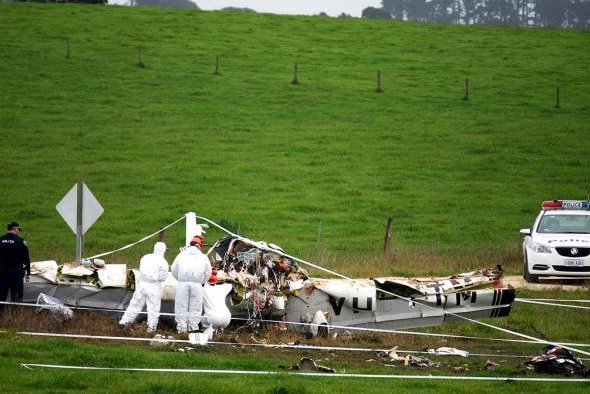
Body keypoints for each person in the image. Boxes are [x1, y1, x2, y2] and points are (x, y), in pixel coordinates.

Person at [119, 241, 169, 333]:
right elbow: (163, 277)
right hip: (154, 286)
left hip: (142, 284)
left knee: (134, 305)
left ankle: (124, 323)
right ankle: (151, 329)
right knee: (153, 309)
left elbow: (141, 268)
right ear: (164, 250)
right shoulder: (163, 262)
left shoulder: (145, 257)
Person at [171, 237, 212, 334]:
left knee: (181, 305)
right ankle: (193, 328)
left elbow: (174, 269)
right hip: (197, 284)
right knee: (196, 306)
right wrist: (201, 281)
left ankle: (181, 329)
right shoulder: (203, 257)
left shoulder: (181, 255)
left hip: (183, 283)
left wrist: (180, 279)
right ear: (199, 245)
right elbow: (208, 272)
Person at [0, 221, 31, 306]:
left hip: (2, 273)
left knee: (1, 296)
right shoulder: (20, 241)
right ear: (14, 229)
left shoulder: (0, 240)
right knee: (17, 297)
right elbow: (26, 259)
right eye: (18, 229)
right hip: (16, 273)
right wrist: (28, 273)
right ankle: (16, 317)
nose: (18, 231)